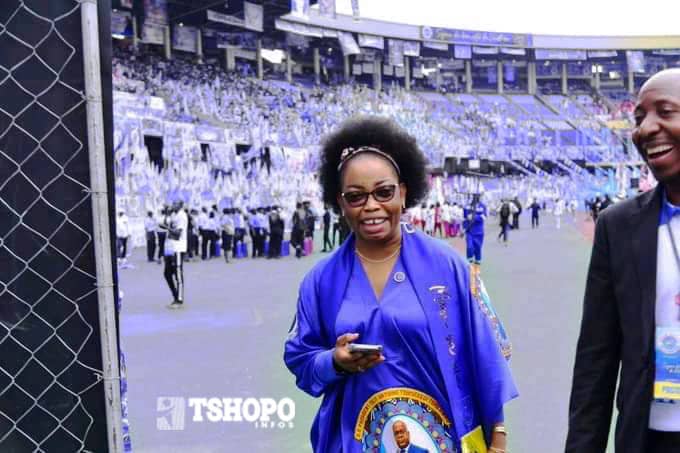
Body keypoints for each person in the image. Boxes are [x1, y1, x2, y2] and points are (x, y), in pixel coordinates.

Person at [284, 117, 516, 453]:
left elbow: (487, 355)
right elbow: (302, 361)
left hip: (444, 442)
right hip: (351, 441)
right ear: (340, 202)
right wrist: (334, 361)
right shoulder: (320, 281)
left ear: (404, 192)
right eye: (356, 197)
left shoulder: (448, 266)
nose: (372, 206)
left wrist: (498, 436)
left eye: (384, 192)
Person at [566, 69, 680, 452]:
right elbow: (595, 362)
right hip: (648, 439)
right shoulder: (618, 226)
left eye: (665, 111)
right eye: (639, 118)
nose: (647, 129)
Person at [161, 202, 188, 309]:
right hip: (169, 247)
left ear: (180, 205)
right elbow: (165, 224)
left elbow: (178, 233)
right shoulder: (173, 214)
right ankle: (175, 295)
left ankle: (179, 299)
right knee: (167, 273)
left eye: (175, 204)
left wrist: (167, 228)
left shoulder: (182, 216)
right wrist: (167, 214)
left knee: (177, 272)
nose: (172, 205)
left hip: (178, 247)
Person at [463, 194, 487, 268]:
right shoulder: (467, 206)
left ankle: (477, 267)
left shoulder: (483, 206)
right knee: (469, 248)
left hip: (479, 232)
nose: (474, 198)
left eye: (476, 196)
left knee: (478, 249)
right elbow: (464, 217)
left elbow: (484, 217)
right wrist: (464, 227)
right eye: (473, 196)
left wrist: (475, 217)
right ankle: (469, 265)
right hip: (469, 231)